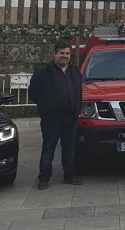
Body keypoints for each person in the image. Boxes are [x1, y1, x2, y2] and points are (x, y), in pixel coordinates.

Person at [29, 40, 84, 190]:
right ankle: (44, 178)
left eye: (67, 53)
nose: (64, 56)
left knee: (69, 149)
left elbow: (78, 90)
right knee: (48, 148)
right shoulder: (43, 72)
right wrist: (46, 107)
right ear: (54, 54)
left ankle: (70, 176)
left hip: (71, 118)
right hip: (51, 119)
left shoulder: (74, 71)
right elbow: (33, 92)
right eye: (61, 53)